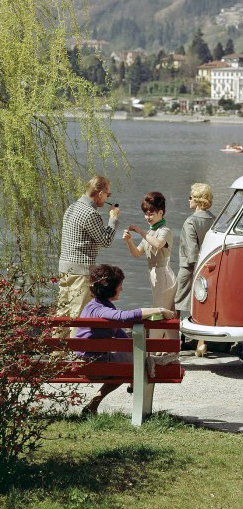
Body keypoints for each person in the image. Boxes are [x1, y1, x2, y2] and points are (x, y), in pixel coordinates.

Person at [76, 264, 175, 415]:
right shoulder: (101, 310)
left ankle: (97, 402)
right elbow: (123, 317)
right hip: (95, 366)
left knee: (132, 357)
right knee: (137, 361)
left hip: (83, 363)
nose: (121, 288)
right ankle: (135, 396)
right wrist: (159, 310)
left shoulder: (92, 306)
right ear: (111, 289)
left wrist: (132, 345)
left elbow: (120, 333)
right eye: (120, 285)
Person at [57, 176, 120, 334]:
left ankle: (57, 354)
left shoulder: (72, 207)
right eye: (108, 194)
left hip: (65, 268)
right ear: (100, 194)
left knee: (63, 314)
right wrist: (113, 219)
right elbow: (105, 241)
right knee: (78, 317)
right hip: (81, 271)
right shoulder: (91, 213)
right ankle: (75, 356)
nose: (107, 198)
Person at [123, 192, 177, 340]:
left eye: (151, 214)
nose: (148, 217)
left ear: (161, 213)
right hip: (156, 275)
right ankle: (169, 348)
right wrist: (129, 241)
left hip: (163, 274)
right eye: (146, 214)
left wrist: (140, 231)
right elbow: (137, 253)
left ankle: (155, 348)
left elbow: (159, 244)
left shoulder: (164, 230)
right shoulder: (150, 232)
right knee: (166, 312)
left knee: (159, 313)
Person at [175, 183, 215, 357]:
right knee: (202, 304)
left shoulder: (191, 221)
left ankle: (173, 340)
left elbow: (192, 253)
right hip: (209, 268)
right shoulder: (214, 220)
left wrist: (193, 265)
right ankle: (201, 343)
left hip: (188, 268)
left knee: (176, 303)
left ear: (197, 201)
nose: (188, 200)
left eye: (190, 197)